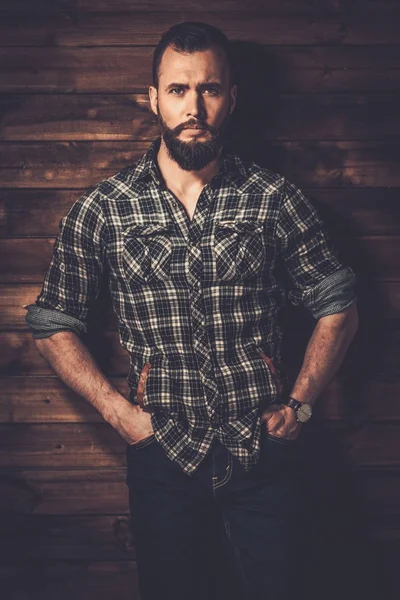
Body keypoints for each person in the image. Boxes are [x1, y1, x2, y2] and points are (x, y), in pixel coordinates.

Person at [26, 21, 359, 600]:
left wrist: (300, 406)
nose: (194, 106)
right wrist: (119, 415)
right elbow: (53, 322)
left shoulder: (273, 199)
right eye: (178, 89)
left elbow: (338, 306)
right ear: (152, 98)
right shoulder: (105, 208)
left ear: (232, 98)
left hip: (263, 451)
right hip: (162, 457)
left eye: (209, 88)